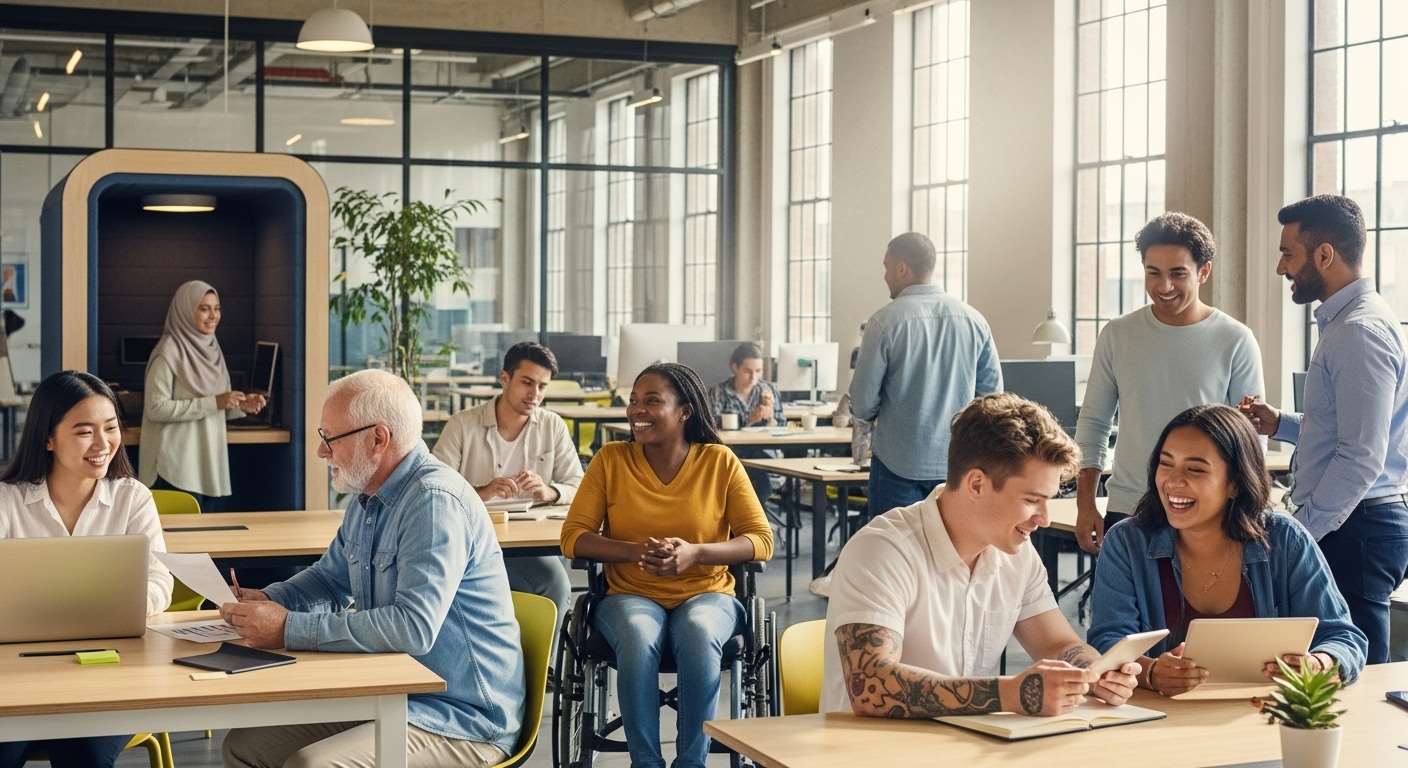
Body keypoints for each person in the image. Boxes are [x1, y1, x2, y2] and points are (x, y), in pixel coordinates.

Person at [220, 369, 524, 768]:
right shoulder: (369, 496)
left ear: (378, 439)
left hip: (459, 716)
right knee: (241, 746)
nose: (320, 452)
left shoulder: (433, 502)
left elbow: (412, 627)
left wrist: (287, 628)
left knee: (312, 766)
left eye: (330, 438)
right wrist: (269, 600)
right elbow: (330, 579)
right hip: (391, 693)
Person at [821, 393, 1140, 717]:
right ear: (976, 484)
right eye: (1032, 500)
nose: (1044, 518)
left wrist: (1095, 674)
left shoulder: (1017, 554)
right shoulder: (882, 551)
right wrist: (1010, 694)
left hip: (965, 745)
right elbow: (871, 686)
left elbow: (1060, 646)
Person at [560, 363, 774, 768]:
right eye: (634, 401)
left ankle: (691, 762)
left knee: (696, 631)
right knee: (639, 636)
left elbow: (761, 541)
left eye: (652, 401)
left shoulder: (719, 462)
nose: (637, 410)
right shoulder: (611, 460)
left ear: (685, 412)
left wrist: (695, 554)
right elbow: (574, 536)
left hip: (708, 593)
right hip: (629, 594)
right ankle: (646, 762)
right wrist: (635, 551)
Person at [1089, 405, 1367, 696]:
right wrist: (1151, 672)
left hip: (1262, 717)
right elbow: (1107, 640)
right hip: (1160, 720)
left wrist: (1319, 664)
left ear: (1235, 483)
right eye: (1166, 463)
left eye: (1195, 469)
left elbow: (1344, 638)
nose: (1173, 481)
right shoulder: (1127, 542)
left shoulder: (1285, 539)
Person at [1241, 194, 1408, 665]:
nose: (1280, 268)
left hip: (1355, 526)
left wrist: (1301, 529)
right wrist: (1283, 425)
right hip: (1354, 521)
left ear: (1324, 255)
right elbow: (1348, 431)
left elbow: (1361, 456)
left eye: (1287, 254)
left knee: (1354, 674)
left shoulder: (1358, 332)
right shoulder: (1350, 324)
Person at [0, 371, 173, 768]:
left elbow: (160, 580)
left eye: (110, 428)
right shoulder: (7, 502)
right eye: (84, 432)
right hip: (20, 675)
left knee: (83, 754)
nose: (102, 444)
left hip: (112, 670)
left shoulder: (133, 498)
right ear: (48, 438)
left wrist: (121, 607)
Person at [1075, 213, 1264, 554]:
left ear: (1203, 271)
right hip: (1129, 509)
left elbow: (1251, 439)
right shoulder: (1117, 335)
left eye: (1178, 274)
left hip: (1207, 511)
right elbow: (1094, 423)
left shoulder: (1236, 339)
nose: (1164, 287)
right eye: (1153, 273)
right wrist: (1085, 504)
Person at [849, 232, 1002, 518]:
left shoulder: (884, 322)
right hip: (958, 467)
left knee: (892, 556)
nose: (884, 276)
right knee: (952, 555)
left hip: (897, 465)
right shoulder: (974, 320)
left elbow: (862, 404)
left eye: (886, 266)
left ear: (902, 268)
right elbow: (992, 400)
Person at [432, 340, 580, 631]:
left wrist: (548, 492)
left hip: (529, 546)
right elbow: (433, 491)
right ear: (504, 378)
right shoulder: (462, 425)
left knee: (555, 582)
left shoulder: (553, 426)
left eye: (542, 386)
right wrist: (483, 492)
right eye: (527, 383)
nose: (534, 394)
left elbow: (579, 485)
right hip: (471, 544)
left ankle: (545, 672)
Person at [140, 280, 266, 510]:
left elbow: (215, 406)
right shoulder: (167, 352)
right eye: (204, 308)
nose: (213, 315)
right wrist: (214, 402)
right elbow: (155, 408)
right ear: (186, 311)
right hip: (175, 469)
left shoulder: (212, 350)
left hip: (207, 468)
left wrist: (239, 405)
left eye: (216, 308)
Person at [709, 342, 784, 505]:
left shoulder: (767, 391)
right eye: (747, 371)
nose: (753, 378)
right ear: (735, 368)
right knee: (750, 477)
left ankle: (749, 520)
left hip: (763, 454)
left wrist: (771, 419)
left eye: (758, 371)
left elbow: (782, 425)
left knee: (756, 476)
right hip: (730, 454)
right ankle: (752, 520)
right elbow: (710, 428)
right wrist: (750, 420)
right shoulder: (719, 392)